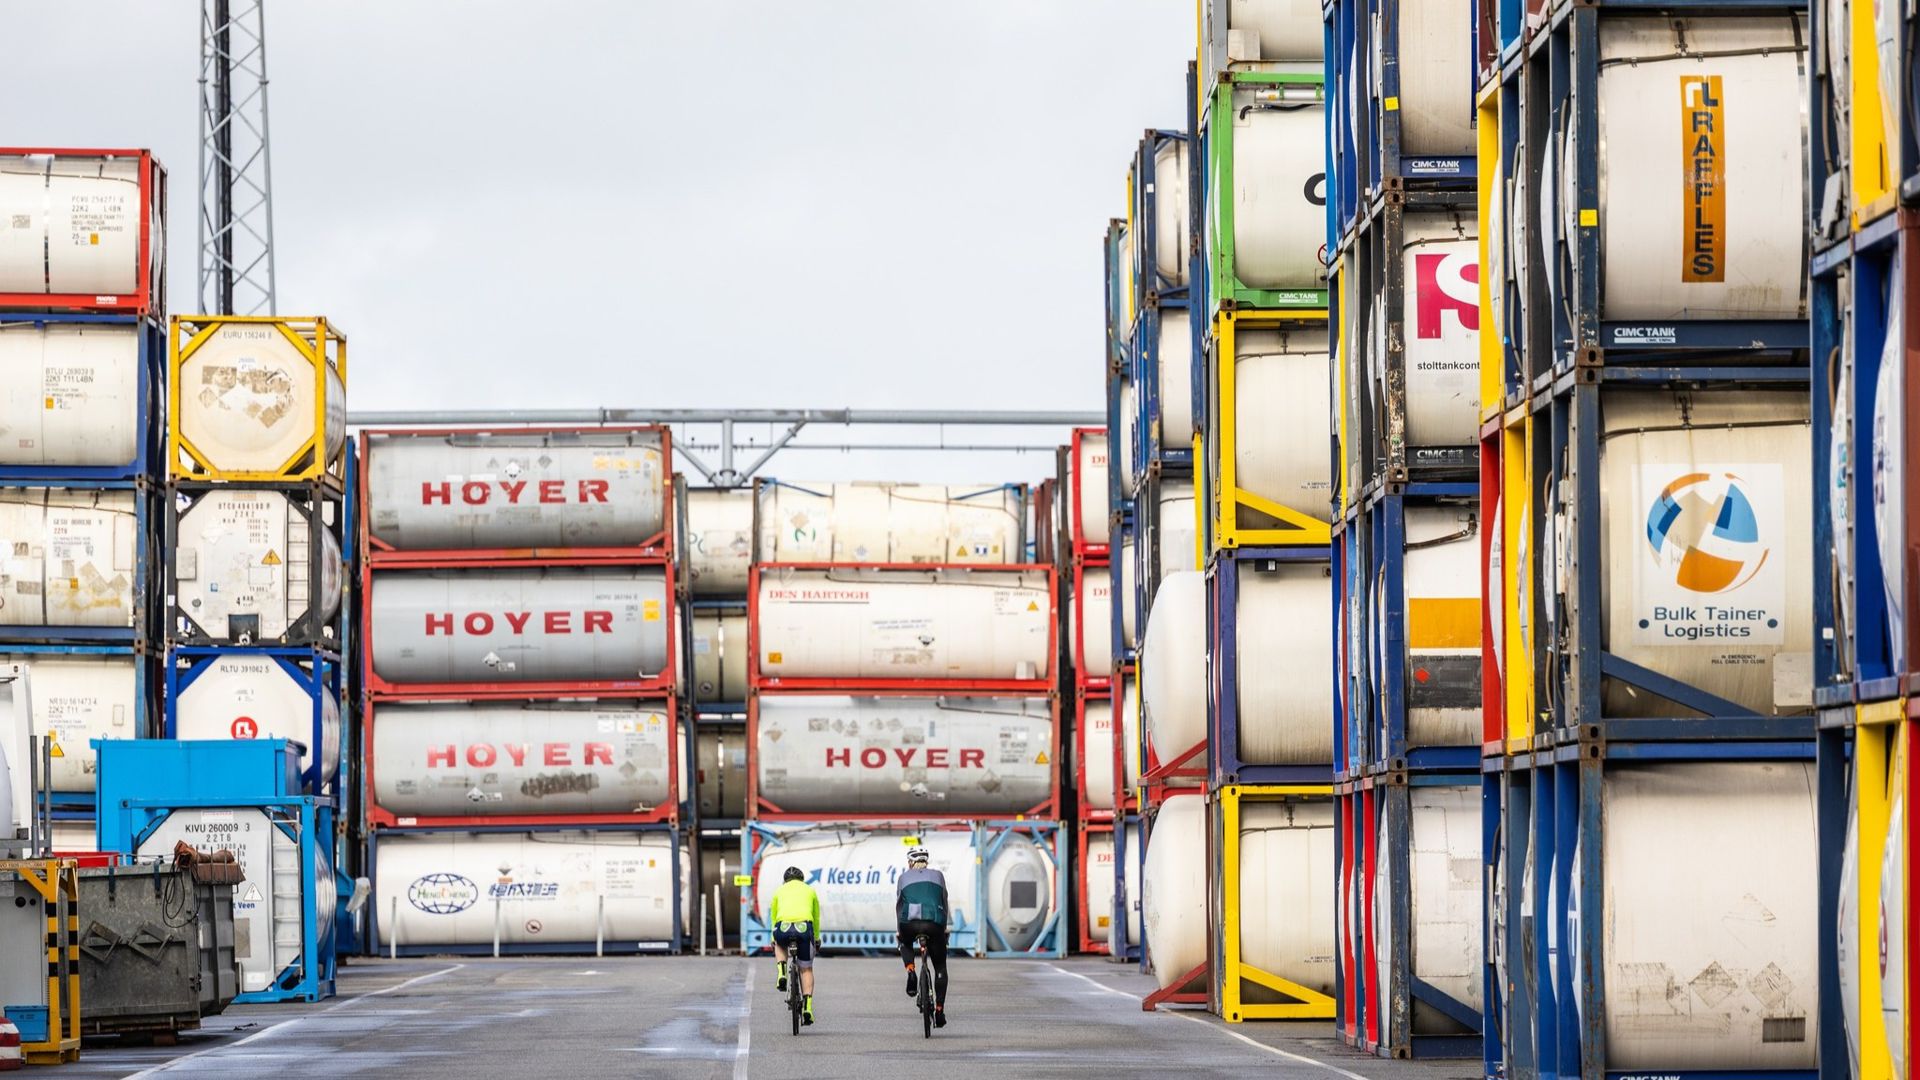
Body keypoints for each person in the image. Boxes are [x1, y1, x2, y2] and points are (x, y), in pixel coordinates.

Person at [895, 845, 949, 1028]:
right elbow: (944, 901)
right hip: (934, 922)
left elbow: (899, 906)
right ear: (926, 861)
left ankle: (910, 970)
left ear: (911, 862)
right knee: (940, 965)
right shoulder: (938, 876)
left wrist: (900, 931)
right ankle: (940, 1010)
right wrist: (943, 928)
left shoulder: (903, 878)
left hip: (909, 922)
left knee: (905, 942)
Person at [768, 865, 821, 1025]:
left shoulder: (778, 891)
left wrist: (773, 937)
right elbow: (816, 917)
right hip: (804, 928)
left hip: (783, 927)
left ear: (785, 881)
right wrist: (817, 938)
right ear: (802, 879)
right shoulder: (810, 890)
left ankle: (782, 972)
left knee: (779, 943)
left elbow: (774, 917)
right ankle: (807, 1008)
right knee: (806, 968)